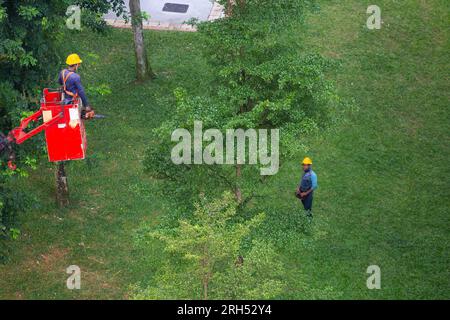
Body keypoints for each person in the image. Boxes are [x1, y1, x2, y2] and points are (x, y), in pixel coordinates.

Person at [58, 54, 95, 119]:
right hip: (72, 101)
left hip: (64, 99)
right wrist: (86, 105)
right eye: (78, 64)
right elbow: (81, 92)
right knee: (75, 120)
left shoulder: (62, 72)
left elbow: (60, 82)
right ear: (75, 65)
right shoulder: (76, 77)